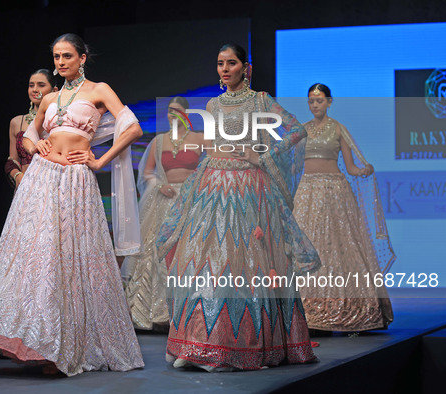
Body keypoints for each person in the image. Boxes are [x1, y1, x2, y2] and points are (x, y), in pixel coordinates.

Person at [0, 33, 144, 376]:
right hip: (41, 178)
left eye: (67, 56)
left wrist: (99, 161)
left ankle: (63, 348)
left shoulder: (99, 90)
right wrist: (36, 144)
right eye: (56, 57)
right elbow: (27, 134)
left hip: (74, 180)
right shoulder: (50, 97)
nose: (61, 62)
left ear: (82, 58)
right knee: (36, 255)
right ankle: (38, 342)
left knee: (69, 257)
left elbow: (132, 127)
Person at [157, 44, 320, 371]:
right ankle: (198, 343)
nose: (224, 69)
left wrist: (263, 156)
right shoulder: (214, 103)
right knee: (203, 261)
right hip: (213, 187)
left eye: (231, 63)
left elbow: (296, 131)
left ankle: (234, 346)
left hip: (247, 187)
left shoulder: (261, 100)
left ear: (246, 66)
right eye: (220, 64)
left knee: (242, 262)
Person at [293, 83, 395, 332]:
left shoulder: (339, 129)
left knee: (339, 248)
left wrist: (363, 170)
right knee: (310, 248)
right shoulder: (302, 131)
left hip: (335, 193)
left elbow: (350, 167)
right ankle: (309, 311)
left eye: (319, 100)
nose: (315, 105)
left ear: (329, 101)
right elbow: (294, 167)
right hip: (307, 193)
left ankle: (350, 308)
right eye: (311, 101)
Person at [122, 97, 203, 331]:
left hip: (191, 199)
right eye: (170, 111)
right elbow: (147, 172)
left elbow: (210, 165)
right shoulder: (159, 141)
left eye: (178, 111)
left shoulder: (199, 139)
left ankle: (189, 313)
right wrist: (159, 185)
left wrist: (195, 186)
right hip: (165, 197)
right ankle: (156, 313)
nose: (172, 115)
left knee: (188, 251)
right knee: (155, 251)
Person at [4, 69, 57, 190]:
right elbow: (12, 161)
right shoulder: (17, 122)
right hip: (25, 187)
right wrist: (18, 176)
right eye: (31, 85)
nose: (34, 90)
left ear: (54, 90)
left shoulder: (59, 121)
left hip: (51, 186)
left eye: (41, 85)